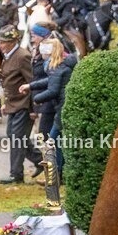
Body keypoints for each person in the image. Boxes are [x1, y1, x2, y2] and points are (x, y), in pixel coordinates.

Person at [0, 26, 44, 185]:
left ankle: (16, 174)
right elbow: (10, 83)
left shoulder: (23, 56)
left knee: (17, 139)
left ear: (12, 42)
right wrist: (5, 104)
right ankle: (41, 160)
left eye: (3, 42)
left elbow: (32, 83)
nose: (0, 45)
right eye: (0, 42)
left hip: (24, 105)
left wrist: (33, 109)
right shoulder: (8, 56)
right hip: (13, 104)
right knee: (14, 136)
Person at [20, 37, 76, 175]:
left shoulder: (59, 67)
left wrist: (38, 99)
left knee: (52, 140)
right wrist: (31, 86)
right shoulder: (58, 65)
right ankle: (59, 172)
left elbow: (53, 90)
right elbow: (50, 81)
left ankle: (56, 174)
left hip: (62, 109)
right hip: (62, 108)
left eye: (45, 49)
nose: (42, 52)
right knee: (57, 141)